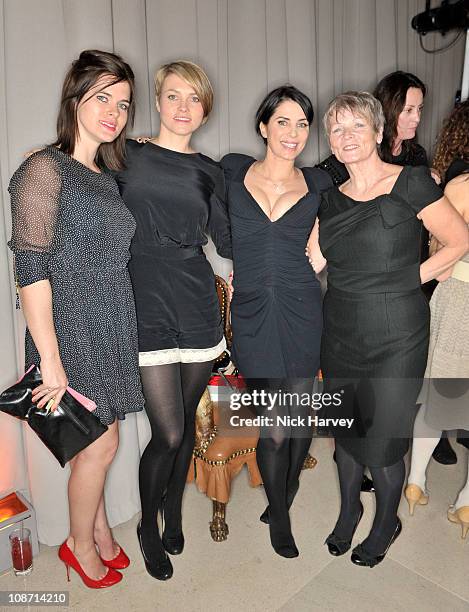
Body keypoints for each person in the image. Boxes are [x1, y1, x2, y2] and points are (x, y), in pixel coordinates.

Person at [308, 91, 468, 567]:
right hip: (341, 331)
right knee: (345, 436)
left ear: (380, 132)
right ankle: (349, 509)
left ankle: (385, 523)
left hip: (397, 333)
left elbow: (459, 239)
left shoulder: (412, 183)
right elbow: (310, 261)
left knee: (383, 441)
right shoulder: (330, 200)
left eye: (357, 126)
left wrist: (406, 278)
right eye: (337, 129)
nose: (346, 137)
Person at [8, 50, 144, 588]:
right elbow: (31, 272)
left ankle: (102, 532)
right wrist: (50, 362)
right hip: (69, 335)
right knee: (100, 446)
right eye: (102, 97)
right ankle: (78, 545)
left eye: (124, 103)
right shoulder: (44, 168)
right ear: (76, 99)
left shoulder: (105, 176)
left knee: (99, 444)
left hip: (111, 328)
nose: (114, 111)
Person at [113, 61, 232, 580]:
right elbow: (75, 173)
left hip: (196, 298)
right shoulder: (125, 153)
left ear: (205, 109)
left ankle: (175, 511)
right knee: (166, 431)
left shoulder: (211, 170)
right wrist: (41, 160)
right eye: (174, 96)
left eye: (195, 99)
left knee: (183, 425)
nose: (183, 108)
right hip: (143, 296)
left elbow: (229, 241)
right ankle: (146, 527)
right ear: (158, 101)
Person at [221, 86, 333, 558]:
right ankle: (280, 516)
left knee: (300, 413)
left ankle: (284, 493)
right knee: (274, 423)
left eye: (303, 123)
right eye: (283, 121)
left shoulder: (320, 183)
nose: (293, 133)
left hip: (303, 307)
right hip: (251, 314)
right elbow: (181, 173)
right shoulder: (230, 169)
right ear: (264, 126)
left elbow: (322, 248)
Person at [405, 101, 469, 538]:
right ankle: (466, 504)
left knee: (437, 397)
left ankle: (415, 482)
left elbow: (442, 258)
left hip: (459, 298)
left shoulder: (460, 184)